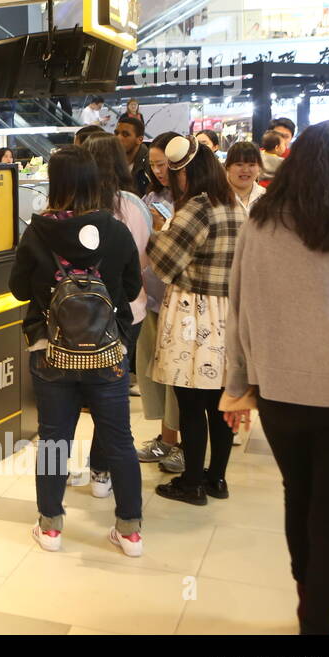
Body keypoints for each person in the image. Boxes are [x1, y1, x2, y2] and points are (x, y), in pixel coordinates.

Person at [225, 120, 329, 633]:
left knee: (296, 493)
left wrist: (236, 387)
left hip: (277, 397)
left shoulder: (259, 228)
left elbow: (238, 310)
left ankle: (305, 594)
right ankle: (316, 626)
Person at [8, 147, 144, 556]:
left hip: (51, 351)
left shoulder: (36, 232)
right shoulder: (117, 231)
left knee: (53, 439)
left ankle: (51, 527)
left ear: (56, 181)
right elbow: (133, 290)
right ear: (95, 181)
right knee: (119, 440)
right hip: (107, 353)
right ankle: (130, 530)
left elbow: (17, 289)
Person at [148, 137, 242, 505]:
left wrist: (157, 230)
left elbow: (166, 263)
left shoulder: (197, 209)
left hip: (193, 313)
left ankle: (191, 483)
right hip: (227, 313)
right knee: (219, 403)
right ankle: (216, 479)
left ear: (187, 172)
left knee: (189, 404)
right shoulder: (234, 206)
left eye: (175, 174)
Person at [81, 134, 150, 500]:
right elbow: (142, 263)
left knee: (73, 395)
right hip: (128, 311)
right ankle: (102, 469)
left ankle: (62, 477)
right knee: (112, 392)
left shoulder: (73, 208)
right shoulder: (135, 206)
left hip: (78, 314)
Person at [135, 132, 183, 469]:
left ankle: (176, 443)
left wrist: (163, 227)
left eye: (163, 164)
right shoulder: (150, 195)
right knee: (153, 372)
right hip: (150, 294)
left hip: (179, 300)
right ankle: (167, 440)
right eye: (153, 165)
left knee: (176, 375)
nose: (159, 170)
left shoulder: (193, 200)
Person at [224, 140, 266, 216]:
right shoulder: (213, 198)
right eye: (239, 164)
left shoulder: (267, 198)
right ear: (227, 167)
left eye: (252, 165)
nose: (245, 170)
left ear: (259, 167)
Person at [115, 114, 150, 197]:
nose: (118, 138)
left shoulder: (150, 164)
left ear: (139, 139)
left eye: (125, 134)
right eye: (116, 133)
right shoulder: (111, 160)